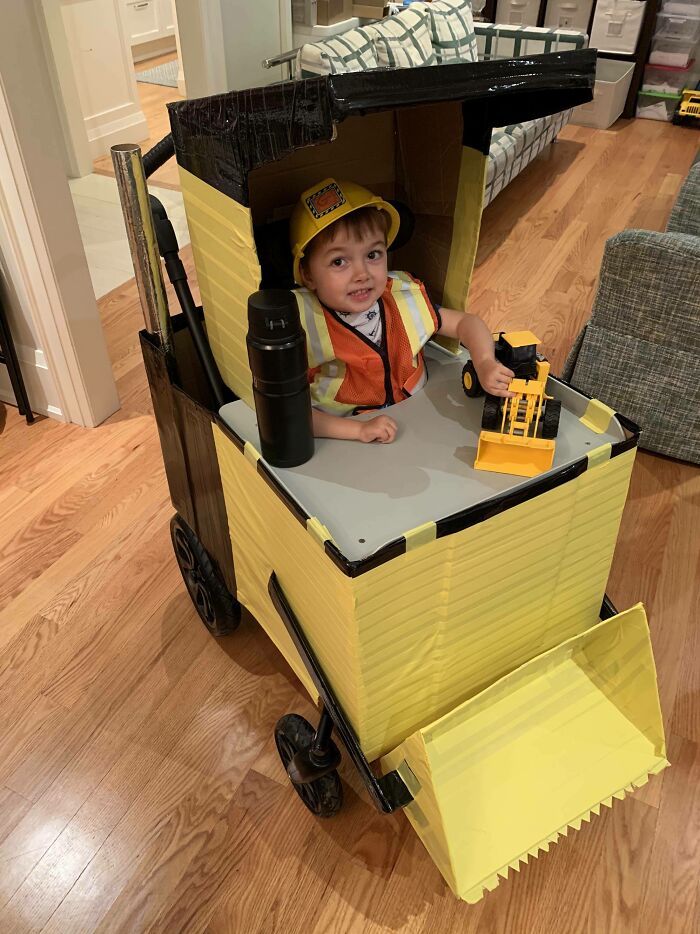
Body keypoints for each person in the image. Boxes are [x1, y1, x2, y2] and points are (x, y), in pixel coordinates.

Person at [290, 178, 514, 443]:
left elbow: (467, 323)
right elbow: (292, 414)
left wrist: (485, 361)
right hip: (347, 437)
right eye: (339, 261)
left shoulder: (402, 298)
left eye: (373, 255)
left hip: (422, 419)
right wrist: (358, 431)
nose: (362, 274)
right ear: (308, 274)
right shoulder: (299, 323)